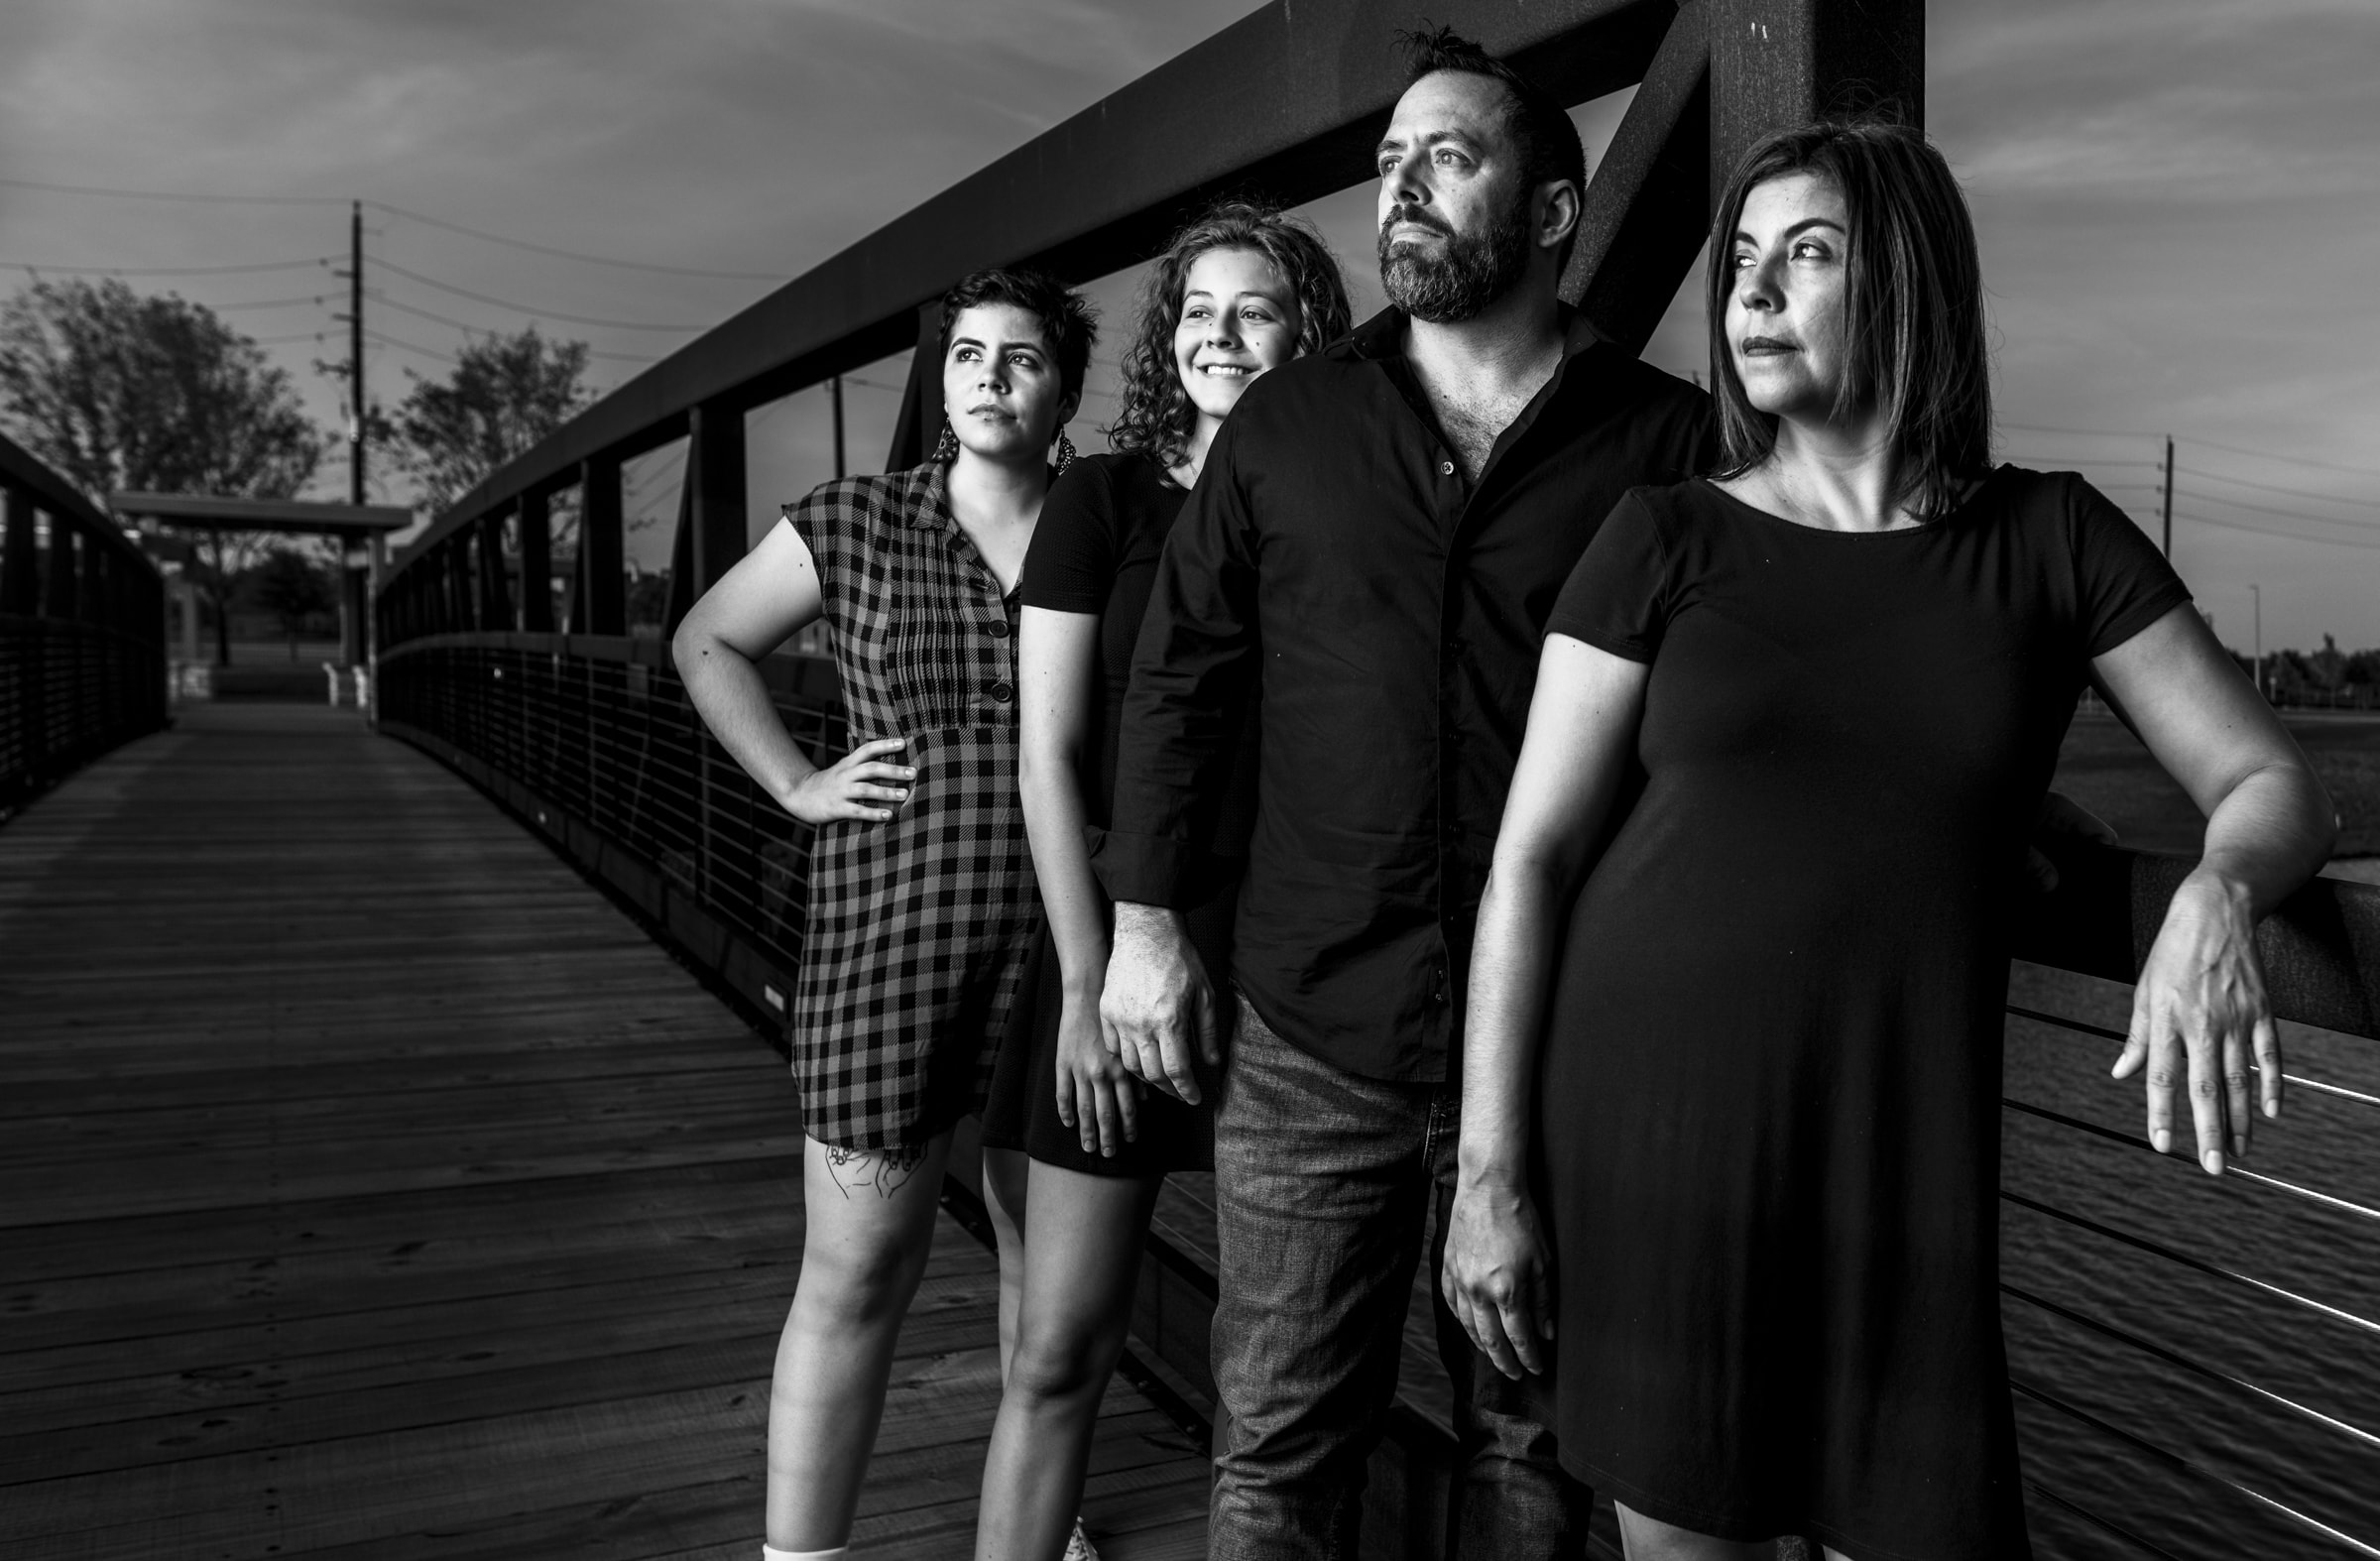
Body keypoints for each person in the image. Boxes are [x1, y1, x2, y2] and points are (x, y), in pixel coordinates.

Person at [1443, 120, 2336, 1561]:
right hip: (1658, 1139)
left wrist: (2217, 896)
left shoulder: (2050, 540)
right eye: (1741, 261)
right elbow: (1531, 860)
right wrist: (1490, 1175)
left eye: (1806, 255)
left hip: (1906, 1158)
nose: (1751, 294)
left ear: (1910, 282)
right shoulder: (1662, 535)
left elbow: (2274, 780)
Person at [1093, 28, 1718, 1560]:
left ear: (1557, 210)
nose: (1404, 189)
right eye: (1389, 164)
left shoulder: (1668, 445)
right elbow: (1183, 678)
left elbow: (1761, 699)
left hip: (1565, 1046)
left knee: (1538, 1463)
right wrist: (1146, 925)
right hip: (1312, 1035)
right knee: (1276, 1455)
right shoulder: (1286, 426)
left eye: (1449, 156)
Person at [671, 267, 1096, 1561]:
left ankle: (1043, 1516)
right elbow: (706, 639)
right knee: (860, 1269)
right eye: (967, 354)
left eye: (1019, 358)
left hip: (1061, 946)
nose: (986, 377)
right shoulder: (853, 521)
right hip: (889, 941)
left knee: (1048, 1287)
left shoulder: (1112, 527)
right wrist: (795, 781)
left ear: (1063, 385)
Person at [972, 200, 1354, 1561]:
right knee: (1062, 1345)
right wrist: (1082, 986)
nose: (1219, 335)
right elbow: (1049, 759)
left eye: (1254, 309)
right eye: (1196, 310)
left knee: (1279, 1386)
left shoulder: (1349, 506)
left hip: (1297, 979)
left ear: (1312, 330)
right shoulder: (1107, 498)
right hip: (1118, 958)